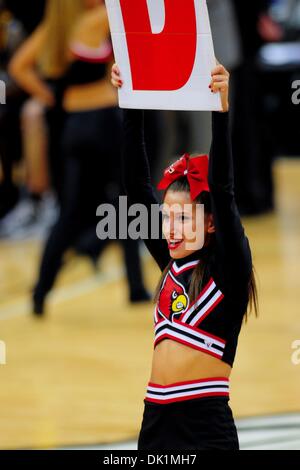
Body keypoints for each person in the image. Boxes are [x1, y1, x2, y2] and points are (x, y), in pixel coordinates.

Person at [111, 63, 258, 450]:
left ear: (210, 223)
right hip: (154, 424)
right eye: (166, 217)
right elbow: (136, 187)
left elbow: (223, 191)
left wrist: (220, 108)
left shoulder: (228, 271)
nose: (170, 228)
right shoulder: (172, 265)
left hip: (205, 430)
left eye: (182, 218)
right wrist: (131, 101)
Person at [9, 0, 150, 314]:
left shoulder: (53, 29)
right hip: (105, 122)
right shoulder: (97, 20)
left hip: (72, 127)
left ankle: (40, 293)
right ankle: (136, 287)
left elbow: (19, 66)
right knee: (129, 204)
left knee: (69, 212)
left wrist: (51, 98)